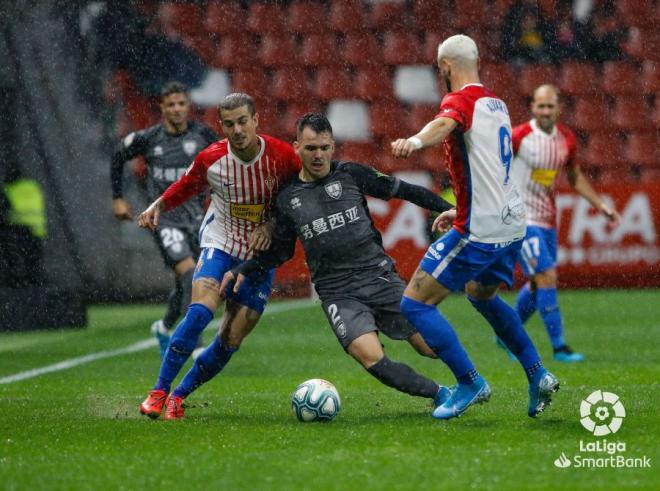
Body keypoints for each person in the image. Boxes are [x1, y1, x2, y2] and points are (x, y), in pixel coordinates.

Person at [193, 113, 458, 418]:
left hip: (379, 277)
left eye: (323, 147)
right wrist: (243, 269)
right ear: (296, 148)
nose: (318, 155)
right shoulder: (287, 197)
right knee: (370, 357)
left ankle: (469, 382)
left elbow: (406, 191)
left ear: (333, 147)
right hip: (337, 293)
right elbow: (279, 253)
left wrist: (451, 210)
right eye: (310, 149)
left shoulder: (352, 174)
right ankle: (441, 395)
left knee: (428, 347)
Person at [391, 34, 559, 420]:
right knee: (481, 295)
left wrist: (414, 141)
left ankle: (469, 382)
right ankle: (538, 374)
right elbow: (488, 165)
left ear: (446, 67)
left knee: (414, 303)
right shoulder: (497, 103)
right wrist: (461, 207)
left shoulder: (458, 101)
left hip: (480, 230)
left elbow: (444, 124)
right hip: (510, 222)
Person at [138, 92, 301, 420]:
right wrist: (158, 205)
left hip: (259, 255)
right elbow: (187, 185)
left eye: (243, 121)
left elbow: (298, 197)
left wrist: (271, 224)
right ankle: (158, 392)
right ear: (222, 127)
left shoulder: (283, 157)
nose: (237, 129)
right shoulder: (211, 158)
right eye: (229, 124)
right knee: (199, 313)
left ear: (256, 120)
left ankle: (179, 396)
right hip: (221, 240)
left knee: (231, 337)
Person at [509, 84, 621, 362]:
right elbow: (495, 168)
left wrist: (601, 205)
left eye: (550, 106)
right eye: (540, 106)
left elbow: (575, 177)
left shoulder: (566, 139)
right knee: (547, 276)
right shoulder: (519, 136)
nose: (545, 111)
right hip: (522, 220)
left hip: (547, 219)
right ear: (532, 107)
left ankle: (506, 335)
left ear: (559, 109)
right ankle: (559, 347)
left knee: (538, 285)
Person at [111, 81, 218, 358]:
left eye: (181, 104)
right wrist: (118, 198)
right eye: (171, 104)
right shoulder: (149, 139)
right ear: (162, 108)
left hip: (197, 219)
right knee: (190, 274)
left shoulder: (203, 135)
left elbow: (223, 163)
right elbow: (117, 156)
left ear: (188, 106)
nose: (177, 109)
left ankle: (165, 325)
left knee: (190, 281)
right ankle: (195, 344)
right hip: (164, 220)